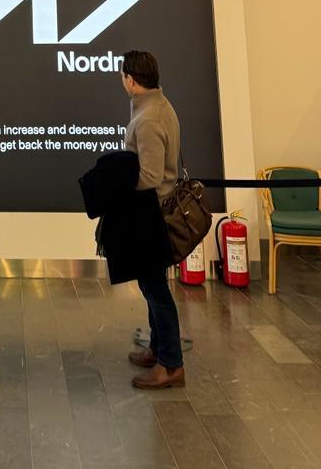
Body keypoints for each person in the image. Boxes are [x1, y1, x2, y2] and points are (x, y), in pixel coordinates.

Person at [121, 50, 185, 389]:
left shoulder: (148, 119)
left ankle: (171, 364)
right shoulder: (158, 106)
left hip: (151, 215)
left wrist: (118, 185)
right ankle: (158, 348)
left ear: (131, 80)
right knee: (152, 284)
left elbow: (149, 176)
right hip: (153, 212)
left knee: (155, 289)